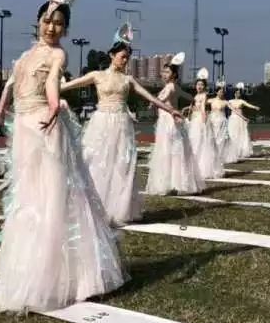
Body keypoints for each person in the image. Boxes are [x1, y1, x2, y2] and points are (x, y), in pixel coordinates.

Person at [0, 0, 126, 312]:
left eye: (59, 23)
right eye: (48, 21)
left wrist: (53, 105)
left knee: (53, 196)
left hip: (44, 126)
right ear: (38, 21)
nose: (52, 27)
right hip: (24, 128)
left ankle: (66, 274)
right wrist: (2, 105)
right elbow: (12, 82)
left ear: (66, 29)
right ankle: (28, 265)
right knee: (28, 196)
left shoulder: (58, 54)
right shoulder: (26, 55)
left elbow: (52, 82)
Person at [60, 37, 181, 224]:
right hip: (101, 124)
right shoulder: (97, 75)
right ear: (112, 55)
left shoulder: (128, 79)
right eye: (122, 56)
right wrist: (49, 84)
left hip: (122, 125)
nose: (125, 61)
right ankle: (93, 207)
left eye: (127, 58)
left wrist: (170, 110)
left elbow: (150, 97)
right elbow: (68, 85)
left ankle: (118, 209)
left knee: (121, 165)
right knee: (97, 163)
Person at [145, 54, 206, 196]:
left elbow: (159, 100)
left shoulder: (170, 87)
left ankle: (170, 183)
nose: (164, 74)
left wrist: (152, 102)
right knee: (174, 151)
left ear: (173, 74)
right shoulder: (173, 86)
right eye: (163, 72)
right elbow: (188, 96)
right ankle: (175, 183)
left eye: (167, 72)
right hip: (170, 121)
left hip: (168, 122)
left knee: (168, 151)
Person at [186, 69, 225, 178]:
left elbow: (203, 108)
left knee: (202, 143)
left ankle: (203, 168)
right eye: (198, 84)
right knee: (195, 142)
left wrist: (203, 121)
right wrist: (188, 115)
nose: (199, 86)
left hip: (200, 120)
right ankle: (194, 167)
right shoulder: (195, 96)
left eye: (202, 85)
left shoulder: (204, 95)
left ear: (205, 86)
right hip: (195, 120)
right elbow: (192, 108)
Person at [226, 84, 260, 162]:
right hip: (233, 120)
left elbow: (248, 105)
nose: (238, 94)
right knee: (233, 134)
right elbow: (231, 109)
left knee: (241, 134)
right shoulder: (230, 101)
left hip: (240, 120)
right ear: (234, 93)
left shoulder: (241, 101)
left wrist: (255, 107)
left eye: (239, 93)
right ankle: (233, 151)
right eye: (237, 93)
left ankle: (241, 150)